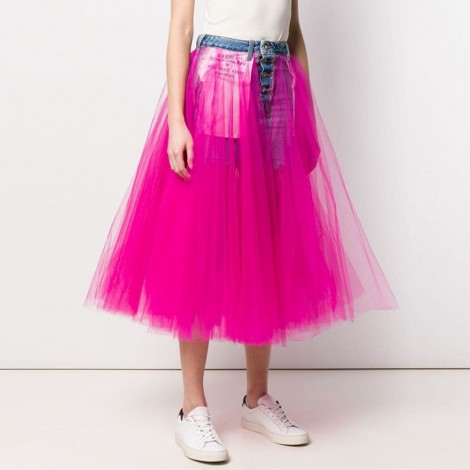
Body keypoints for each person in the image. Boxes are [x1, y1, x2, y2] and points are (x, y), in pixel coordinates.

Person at [84, 0, 399, 463]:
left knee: (267, 239)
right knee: (204, 241)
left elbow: (294, 32)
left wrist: (305, 116)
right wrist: (177, 120)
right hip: (221, 80)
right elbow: (181, 28)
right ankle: (192, 407)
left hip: (278, 86)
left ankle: (257, 398)